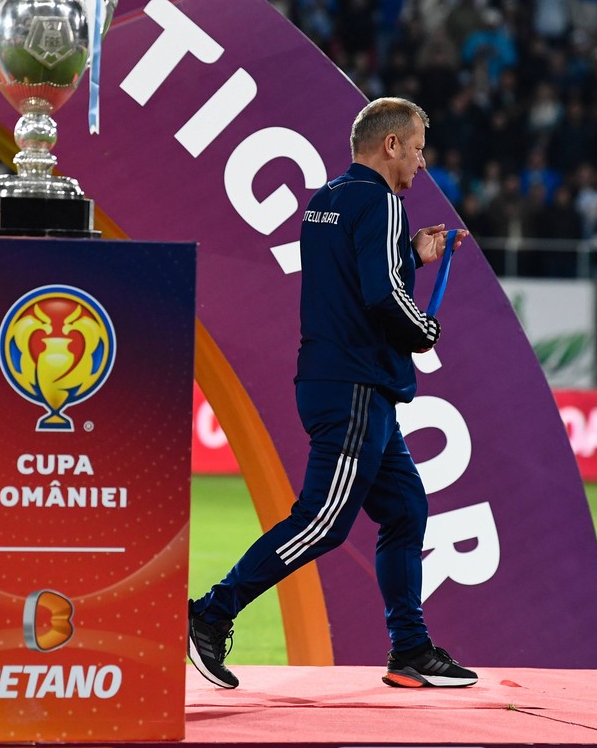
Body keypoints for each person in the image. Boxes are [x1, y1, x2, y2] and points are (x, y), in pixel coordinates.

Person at [186, 97, 477, 690]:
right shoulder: (385, 202)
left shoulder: (327, 201)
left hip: (335, 381)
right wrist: (424, 328)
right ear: (390, 144)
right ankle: (209, 615)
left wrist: (408, 257)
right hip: (356, 387)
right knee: (322, 521)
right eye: (418, 149)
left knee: (404, 510)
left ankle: (410, 650)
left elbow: (357, 278)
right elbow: (380, 297)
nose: (422, 165)